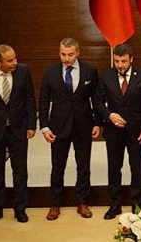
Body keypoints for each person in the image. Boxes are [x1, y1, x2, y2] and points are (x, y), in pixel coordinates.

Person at [39, 37, 100, 220]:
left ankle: (82, 202)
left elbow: (96, 99)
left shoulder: (90, 71)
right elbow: (43, 101)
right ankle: (55, 203)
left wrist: (97, 123)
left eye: (70, 54)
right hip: (58, 127)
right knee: (58, 166)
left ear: (78, 53)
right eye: (63, 54)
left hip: (83, 125)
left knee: (83, 166)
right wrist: (44, 127)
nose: (66, 58)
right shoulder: (50, 73)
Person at [93, 43, 141, 219]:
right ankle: (114, 204)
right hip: (113, 131)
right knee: (114, 168)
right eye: (117, 61)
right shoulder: (106, 76)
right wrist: (109, 115)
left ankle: (137, 204)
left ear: (131, 59)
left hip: (136, 131)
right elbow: (97, 101)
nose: (120, 65)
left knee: (137, 168)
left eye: (124, 61)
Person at [0, 45, 36, 224]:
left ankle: (20, 209)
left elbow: (30, 99)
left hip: (18, 129)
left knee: (20, 172)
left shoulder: (23, 71)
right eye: (10, 60)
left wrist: (31, 125)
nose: (15, 62)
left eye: (15, 58)